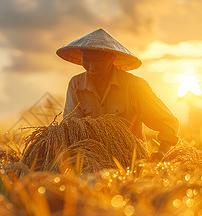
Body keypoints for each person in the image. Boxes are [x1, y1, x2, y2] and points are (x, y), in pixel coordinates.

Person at [57, 28, 179, 160]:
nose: (91, 67)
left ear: (111, 58)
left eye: (97, 60)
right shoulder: (76, 85)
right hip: (90, 159)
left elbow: (168, 121)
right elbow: (71, 126)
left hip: (129, 160)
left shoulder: (134, 86)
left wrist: (160, 154)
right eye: (86, 60)